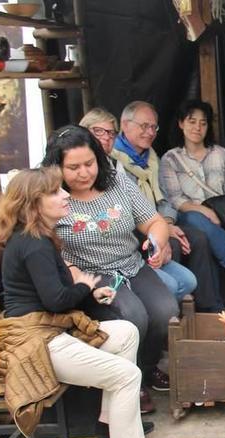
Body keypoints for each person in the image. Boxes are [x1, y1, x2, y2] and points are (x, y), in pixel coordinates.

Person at [0, 167, 166, 438]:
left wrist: (89, 289)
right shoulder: (34, 244)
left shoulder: (39, 237)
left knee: (126, 331)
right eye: (56, 192)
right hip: (36, 344)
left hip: (47, 332)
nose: (66, 195)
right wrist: (85, 286)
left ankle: (109, 425)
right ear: (34, 203)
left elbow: (52, 297)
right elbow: (57, 301)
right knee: (128, 375)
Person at [43, 125, 179, 415]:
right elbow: (45, 248)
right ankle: (130, 381)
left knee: (166, 311)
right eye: (73, 167)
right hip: (91, 276)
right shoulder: (50, 197)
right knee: (132, 316)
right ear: (57, 168)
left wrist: (156, 241)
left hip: (131, 264)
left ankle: (146, 367)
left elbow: (154, 222)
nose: (84, 173)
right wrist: (78, 278)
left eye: (89, 163)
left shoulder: (118, 181)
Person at [110, 101, 223, 312]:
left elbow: (167, 199)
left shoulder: (152, 158)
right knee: (175, 243)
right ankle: (170, 311)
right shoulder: (114, 161)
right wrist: (161, 229)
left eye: (154, 127)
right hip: (134, 229)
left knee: (197, 237)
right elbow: (125, 210)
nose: (150, 132)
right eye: (144, 126)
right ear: (124, 125)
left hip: (157, 222)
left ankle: (208, 308)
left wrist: (167, 222)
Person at [81, 108, 197, 303]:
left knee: (187, 280)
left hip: (136, 239)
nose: (106, 138)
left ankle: (160, 310)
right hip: (104, 256)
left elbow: (152, 209)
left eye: (110, 133)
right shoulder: (73, 174)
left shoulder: (116, 167)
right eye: (98, 131)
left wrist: (160, 238)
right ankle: (155, 311)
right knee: (170, 284)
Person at [159, 99, 225, 292]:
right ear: (181, 123)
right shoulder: (171, 158)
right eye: (192, 121)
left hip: (221, 216)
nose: (198, 127)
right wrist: (203, 210)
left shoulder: (222, 154)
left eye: (203, 123)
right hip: (187, 216)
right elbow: (175, 199)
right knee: (196, 218)